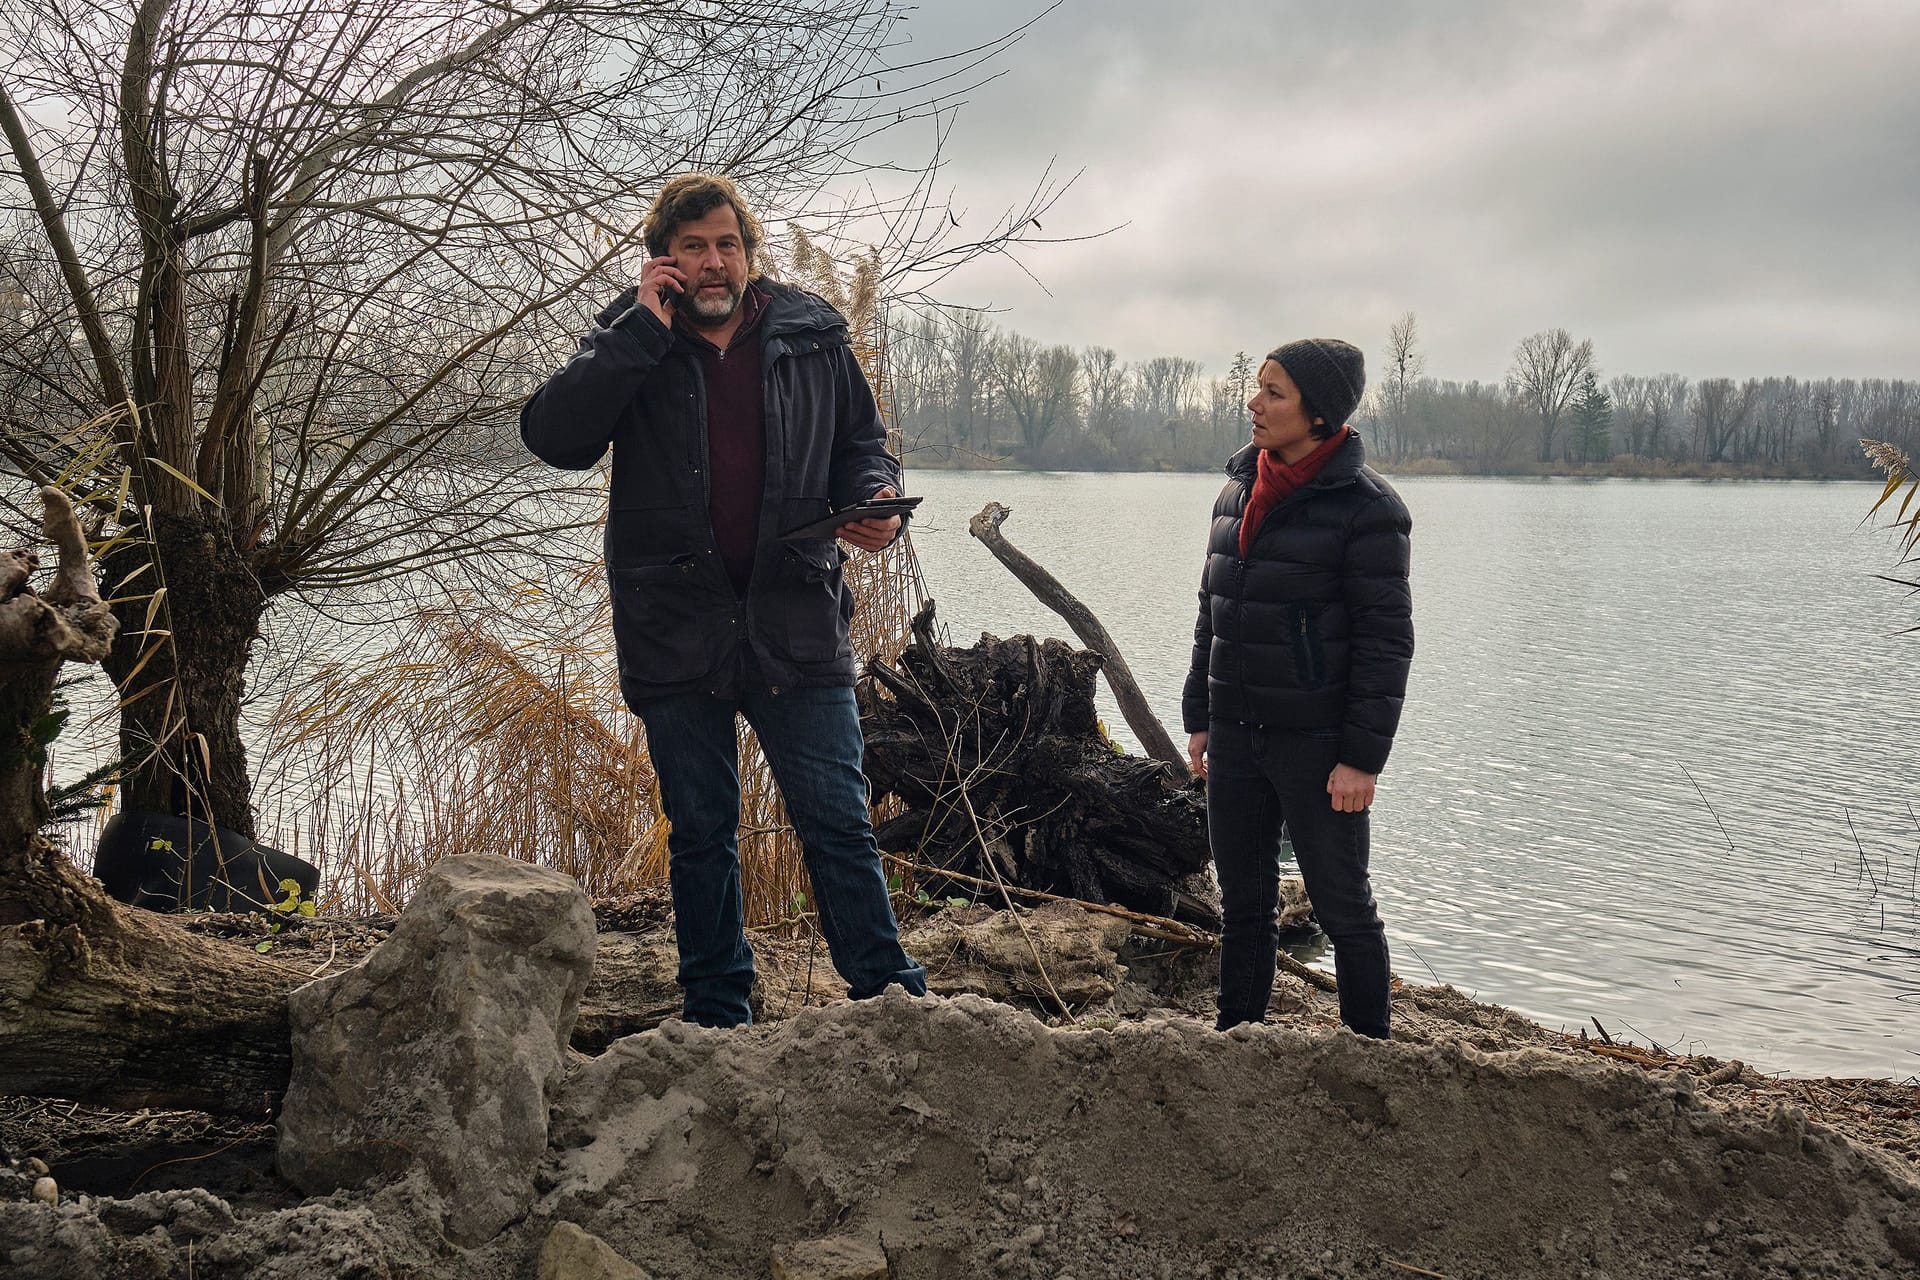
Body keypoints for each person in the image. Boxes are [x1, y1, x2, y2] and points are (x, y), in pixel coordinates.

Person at [519, 172, 926, 1027]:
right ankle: (715, 1009)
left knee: (837, 822)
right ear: (663, 260)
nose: (714, 263)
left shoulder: (813, 338)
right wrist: (639, 331)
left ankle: (890, 1002)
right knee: (702, 835)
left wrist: (876, 493)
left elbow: (860, 440)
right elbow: (555, 440)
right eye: (694, 247)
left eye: (727, 244)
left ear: (749, 252)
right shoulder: (631, 342)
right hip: (677, 628)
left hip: (796, 620)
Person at [1181, 339, 1413, 1038]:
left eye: (1274, 392)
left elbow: (1386, 644)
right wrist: (1201, 716)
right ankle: (1236, 1042)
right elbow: (1211, 611)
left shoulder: (1368, 509)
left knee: (1344, 909)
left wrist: (1362, 759)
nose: (1254, 403)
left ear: (1318, 414)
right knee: (1243, 907)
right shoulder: (1236, 490)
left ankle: (1370, 1056)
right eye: (1258, 388)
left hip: (1318, 746)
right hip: (1236, 736)